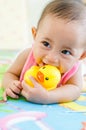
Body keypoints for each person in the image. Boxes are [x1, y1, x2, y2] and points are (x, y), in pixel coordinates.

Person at [2, 0, 86, 104]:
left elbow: (75, 89)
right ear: (35, 35)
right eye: (46, 44)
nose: (51, 58)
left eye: (65, 52)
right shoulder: (27, 55)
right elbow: (10, 74)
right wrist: (11, 84)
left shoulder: (74, 68)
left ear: (81, 55)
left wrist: (48, 96)